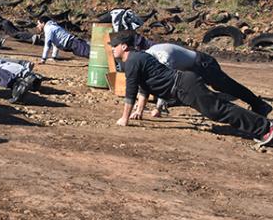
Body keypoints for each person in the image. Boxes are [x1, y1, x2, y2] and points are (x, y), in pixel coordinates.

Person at [110, 30, 273, 146]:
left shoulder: (132, 61)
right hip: (183, 86)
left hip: (185, 84)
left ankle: (265, 128)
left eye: (115, 46)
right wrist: (139, 110)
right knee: (216, 109)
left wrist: (124, 118)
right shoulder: (138, 58)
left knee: (217, 109)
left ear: (124, 46)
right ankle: (263, 125)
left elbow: (130, 91)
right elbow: (143, 87)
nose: (112, 48)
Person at [143, 43, 271, 118]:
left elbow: (168, 79)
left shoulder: (163, 57)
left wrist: (158, 108)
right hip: (194, 67)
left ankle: (260, 105)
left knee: (229, 86)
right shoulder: (151, 53)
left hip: (204, 64)